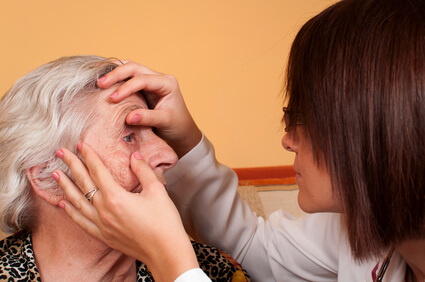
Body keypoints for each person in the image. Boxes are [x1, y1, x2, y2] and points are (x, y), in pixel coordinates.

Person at [54, 0, 425, 281]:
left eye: (303, 118)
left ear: (379, 130)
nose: (287, 139)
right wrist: (186, 140)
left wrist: (171, 260)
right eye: (130, 135)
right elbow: (252, 246)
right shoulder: (362, 234)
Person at [0, 55, 250, 281]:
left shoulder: (217, 271)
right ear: (46, 177)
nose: (170, 155)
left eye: (155, 131)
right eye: (129, 137)